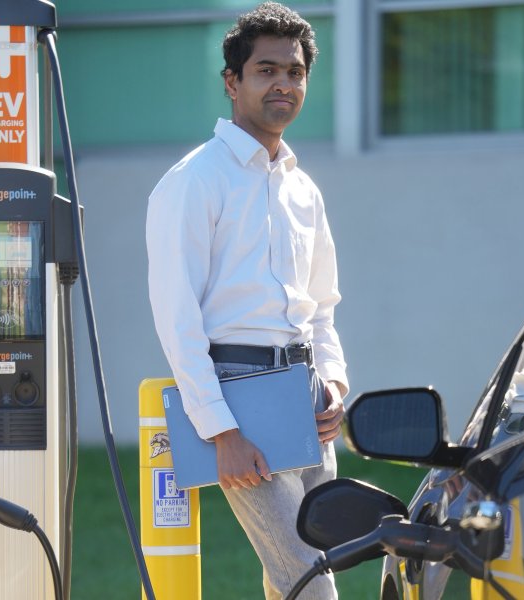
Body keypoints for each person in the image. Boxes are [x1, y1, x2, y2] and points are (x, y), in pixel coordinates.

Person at [146, 3, 347, 598]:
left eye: (295, 72)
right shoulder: (194, 180)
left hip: (309, 397)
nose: (284, 83)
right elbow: (176, 315)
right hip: (239, 398)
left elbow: (322, 306)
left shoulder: (304, 190)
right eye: (266, 70)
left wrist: (334, 383)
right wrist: (221, 431)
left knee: (301, 572)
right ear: (232, 83)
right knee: (308, 579)